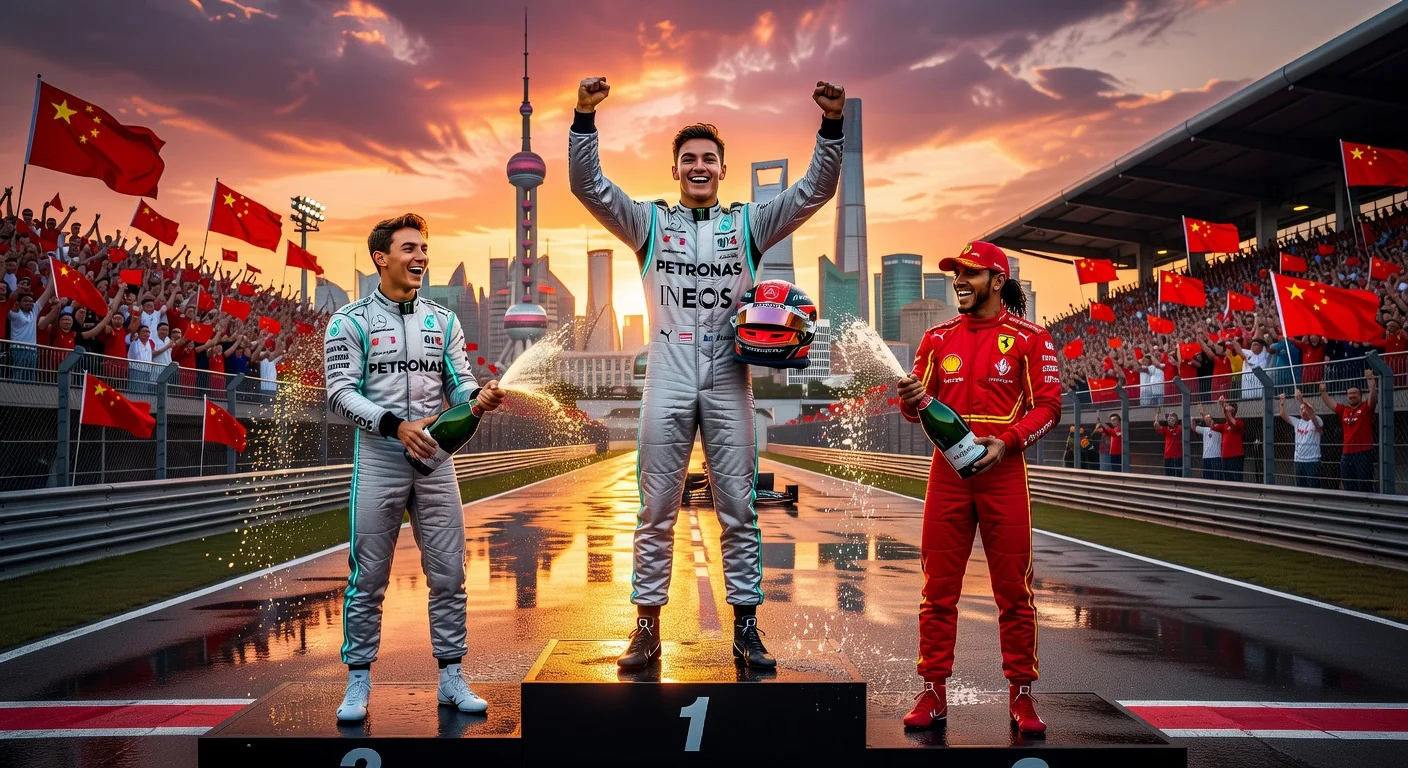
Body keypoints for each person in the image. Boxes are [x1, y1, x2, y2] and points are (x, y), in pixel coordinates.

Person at [568, 75, 845, 670]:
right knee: (655, 511)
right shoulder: (648, 222)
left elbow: (813, 191)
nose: (699, 166)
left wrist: (831, 127)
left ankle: (746, 629)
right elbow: (588, 186)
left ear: (723, 169)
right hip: (666, 376)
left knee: (739, 510)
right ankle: (646, 629)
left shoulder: (748, 223)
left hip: (728, 379)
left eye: (708, 159)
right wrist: (584, 117)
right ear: (675, 169)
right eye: (689, 159)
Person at [323, 213, 506, 722]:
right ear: (381, 258)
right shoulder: (349, 321)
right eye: (409, 249)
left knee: (449, 575)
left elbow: (459, 383)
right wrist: (395, 425)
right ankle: (358, 681)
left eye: (424, 249)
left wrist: (479, 397)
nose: (420, 257)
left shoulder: (443, 321)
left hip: (435, 462)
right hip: (379, 460)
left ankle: (451, 676)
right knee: (368, 579)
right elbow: (338, 394)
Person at [895, 241, 1062, 735]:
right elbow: (916, 410)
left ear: (997, 280)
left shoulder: (1031, 338)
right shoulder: (936, 338)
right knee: (937, 590)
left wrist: (1006, 442)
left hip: (1003, 474)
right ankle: (932, 691)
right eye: (957, 273)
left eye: (970, 273)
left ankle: (1022, 695)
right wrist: (908, 398)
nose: (959, 281)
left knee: (1014, 591)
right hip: (947, 474)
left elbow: (1049, 407)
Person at [1319, 369, 1377, 492]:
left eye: (1355, 393)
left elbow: (1373, 399)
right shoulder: (1344, 410)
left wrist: (1371, 382)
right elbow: (1330, 403)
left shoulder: (1366, 408)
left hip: (1363, 453)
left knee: (1365, 486)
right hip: (1346, 454)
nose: (1352, 396)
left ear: (1360, 395)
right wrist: (1323, 392)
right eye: (1349, 394)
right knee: (1348, 485)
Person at [1278, 391, 1323, 488]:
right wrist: (1281, 402)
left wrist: (1301, 400)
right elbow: (1283, 415)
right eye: (1301, 409)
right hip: (1298, 461)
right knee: (1300, 487)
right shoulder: (1298, 422)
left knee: (1313, 487)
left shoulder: (1316, 420)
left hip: (1312, 461)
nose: (1303, 410)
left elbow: (1312, 415)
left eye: (1305, 408)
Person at [1205, 397, 1245, 482]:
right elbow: (1212, 426)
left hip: (1236, 457)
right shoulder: (1224, 425)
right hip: (1225, 457)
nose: (1227, 407)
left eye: (1229, 405)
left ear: (1234, 409)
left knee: (1236, 480)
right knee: (1227, 480)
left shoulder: (1239, 422)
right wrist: (1207, 419)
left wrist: (1224, 406)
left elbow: (1232, 421)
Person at [1194, 406, 1223, 481]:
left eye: (1210, 418)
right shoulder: (1205, 429)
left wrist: (1202, 413)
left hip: (1216, 457)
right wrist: (1192, 419)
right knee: (1207, 479)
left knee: (1217, 479)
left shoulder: (1219, 428)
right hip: (1206, 457)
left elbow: (1208, 421)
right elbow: (1194, 427)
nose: (1208, 420)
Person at [1155, 409, 1182, 477]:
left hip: (1178, 456)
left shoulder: (1179, 428)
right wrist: (1157, 414)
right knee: (1169, 476)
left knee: (1179, 475)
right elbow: (1156, 426)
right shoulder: (1166, 429)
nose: (1170, 418)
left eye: (1172, 416)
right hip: (1168, 456)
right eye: (1169, 417)